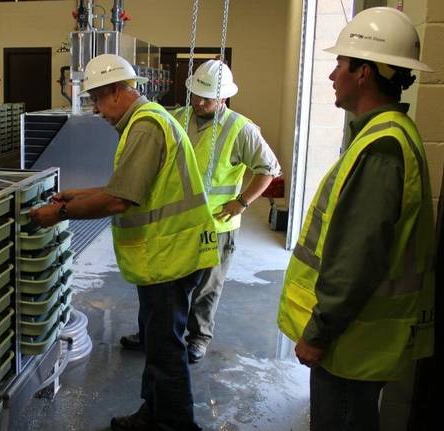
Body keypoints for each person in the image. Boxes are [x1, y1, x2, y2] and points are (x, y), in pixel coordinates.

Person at [29, 53, 219, 431]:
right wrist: (78, 195)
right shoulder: (144, 123)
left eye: (98, 98)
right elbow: (128, 187)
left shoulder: (146, 126)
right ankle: (153, 413)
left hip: (171, 256)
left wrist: (60, 214)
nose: (97, 110)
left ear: (118, 91)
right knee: (156, 340)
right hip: (163, 257)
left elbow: (121, 199)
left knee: (165, 350)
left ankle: (177, 425)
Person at [277, 7, 435, 431]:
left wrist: (318, 332)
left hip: (352, 342)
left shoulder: (381, 149)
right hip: (359, 337)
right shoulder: (385, 133)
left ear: (364, 73)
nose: (332, 75)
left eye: (341, 64)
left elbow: (356, 258)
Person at [119, 60, 282, 363]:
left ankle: (198, 337)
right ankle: (150, 334)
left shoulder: (241, 129)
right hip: (176, 223)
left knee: (208, 286)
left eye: (206, 98)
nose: (198, 102)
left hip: (216, 226)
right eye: (194, 95)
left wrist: (242, 202)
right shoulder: (178, 117)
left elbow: (268, 170)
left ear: (223, 98)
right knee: (161, 284)